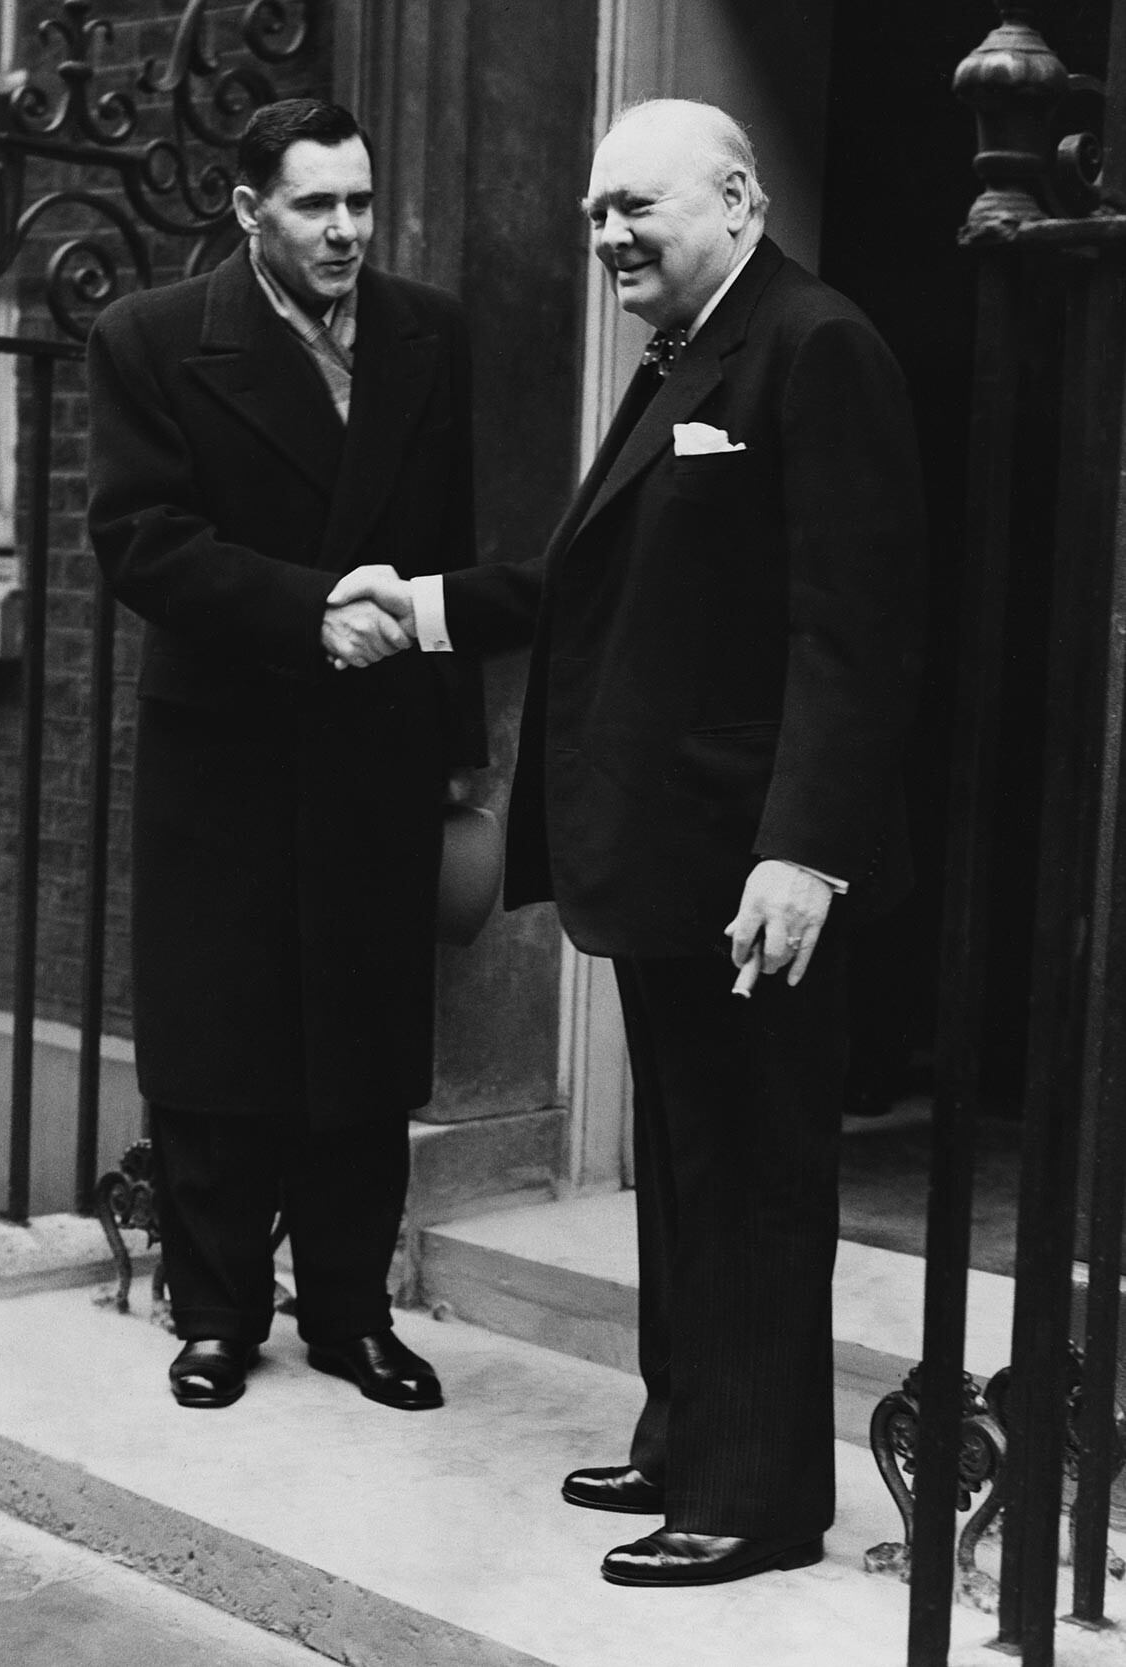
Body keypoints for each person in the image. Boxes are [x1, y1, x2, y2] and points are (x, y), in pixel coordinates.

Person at [329, 99, 925, 1584]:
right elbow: (587, 577)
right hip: (667, 861)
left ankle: (760, 1497)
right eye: (592, 211)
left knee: (755, 1176)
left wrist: (806, 852)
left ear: (737, 197)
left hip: (750, 865)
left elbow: (858, 634)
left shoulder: (815, 343)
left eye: (632, 207)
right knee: (686, 1158)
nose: (604, 235)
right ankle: (686, 1439)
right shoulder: (686, 353)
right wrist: (428, 606)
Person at [85, 98, 485, 1413]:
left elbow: (451, 551)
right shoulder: (151, 339)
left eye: (361, 202)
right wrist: (307, 608)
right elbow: (141, 540)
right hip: (231, 749)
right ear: (247, 207)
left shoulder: (431, 333)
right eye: (316, 204)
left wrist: (461, 758)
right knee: (221, 1047)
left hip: (380, 745)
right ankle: (215, 1317)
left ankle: (355, 1316)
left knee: (364, 1049)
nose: (346, 230)